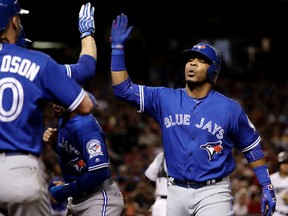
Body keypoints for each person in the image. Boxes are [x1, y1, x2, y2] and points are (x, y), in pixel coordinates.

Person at [109, 13, 277, 216]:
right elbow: (122, 89)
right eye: (190, 59)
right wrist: (117, 49)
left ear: (214, 71)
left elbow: (252, 148)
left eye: (201, 60)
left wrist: (266, 185)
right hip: (175, 191)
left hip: (213, 192)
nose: (193, 63)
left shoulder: (230, 108)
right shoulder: (164, 98)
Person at [0, 0, 96, 215]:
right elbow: (86, 68)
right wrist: (87, 33)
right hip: (18, 168)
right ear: (14, 22)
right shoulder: (37, 65)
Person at [42, 103, 125, 216]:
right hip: (78, 198)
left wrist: (68, 189)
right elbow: (78, 158)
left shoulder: (85, 127)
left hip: (97, 198)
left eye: (60, 99)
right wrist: (55, 144)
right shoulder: (65, 118)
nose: (55, 104)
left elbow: (99, 173)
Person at [145, 151, 168, 216]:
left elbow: (149, 177)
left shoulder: (163, 155)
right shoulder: (190, 154)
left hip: (162, 202)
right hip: (165, 202)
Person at [270, 151, 288, 216]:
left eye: (287, 163)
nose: (286, 166)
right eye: (283, 163)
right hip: (276, 213)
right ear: (279, 164)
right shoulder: (271, 179)